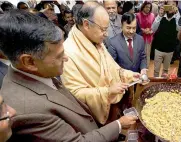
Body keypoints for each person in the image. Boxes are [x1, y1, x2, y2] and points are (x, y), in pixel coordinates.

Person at [0, 10, 137, 141]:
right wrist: (118, 124)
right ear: (29, 61)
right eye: (59, 56)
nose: (66, 58)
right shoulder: (27, 111)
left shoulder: (39, 70)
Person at [61, 2, 140, 125]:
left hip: (112, 104)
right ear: (86, 24)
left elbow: (113, 68)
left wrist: (131, 75)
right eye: (103, 29)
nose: (107, 34)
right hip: (92, 116)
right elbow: (74, 94)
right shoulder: (68, 52)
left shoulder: (95, 40)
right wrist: (107, 91)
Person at [151, 1, 179, 77]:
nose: (171, 7)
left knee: (165, 71)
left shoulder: (177, 18)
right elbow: (153, 29)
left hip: (170, 50)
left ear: (176, 6)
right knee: (156, 70)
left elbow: (179, 29)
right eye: (169, 4)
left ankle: (163, 86)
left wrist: (177, 14)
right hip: (158, 48)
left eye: (173, 5)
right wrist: (159, 15)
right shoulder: (161, 17)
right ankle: (155, 85)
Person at [136, 1, 155, 67]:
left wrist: (151, 31)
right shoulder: (138, 15)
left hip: (149, 37)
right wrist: (143, 30)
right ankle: (139, 66)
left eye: (149, 7)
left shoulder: (152, 15)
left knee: (147, 53)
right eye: (146, 7)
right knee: (139, 52)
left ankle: (146, 67)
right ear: (143, 7)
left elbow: (154, 26)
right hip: (140, 36)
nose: (148, 9)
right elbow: (136, 26)